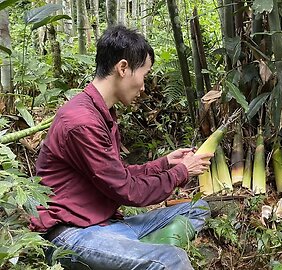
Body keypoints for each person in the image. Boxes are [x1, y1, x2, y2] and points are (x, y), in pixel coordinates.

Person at [29, 25, 213, 270]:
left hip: (107, 225)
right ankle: (148, 257)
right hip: (73, 235)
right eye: (144, 75)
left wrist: (165, 163)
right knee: (170, 259)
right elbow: (128, 191)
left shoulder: (99, 112)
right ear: (123, 68)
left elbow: (118, 174)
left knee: (196, 208)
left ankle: (132, 257)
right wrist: (182, 172)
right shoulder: (81, 122)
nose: (144, 86)